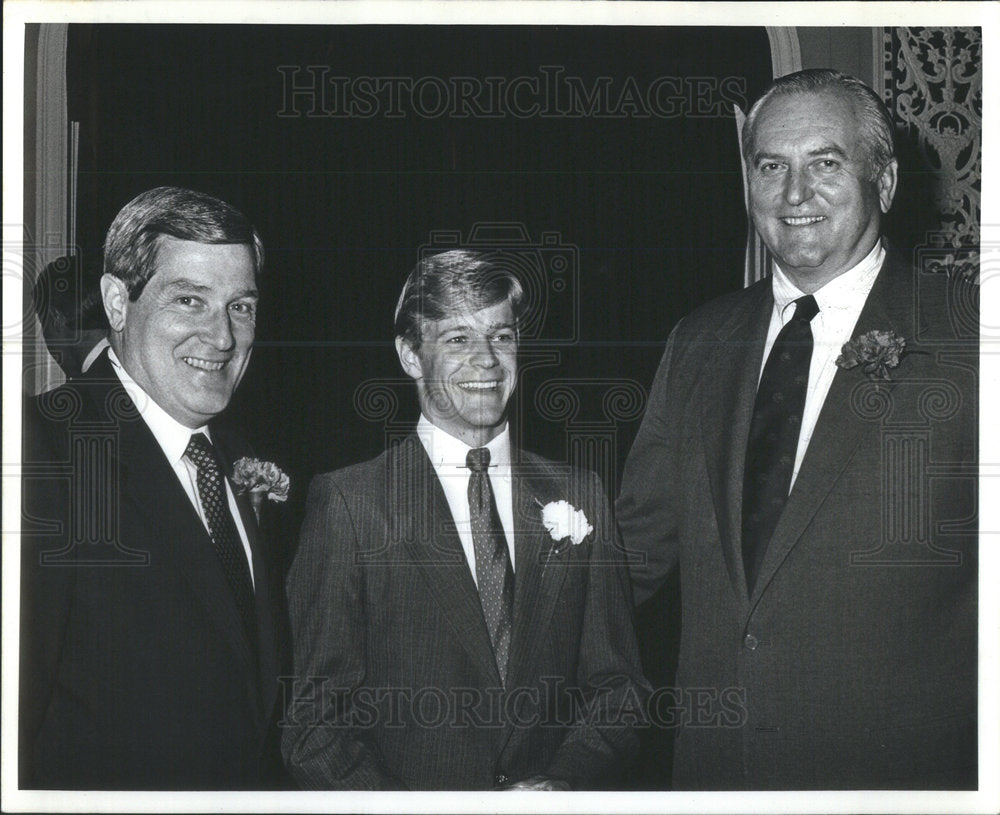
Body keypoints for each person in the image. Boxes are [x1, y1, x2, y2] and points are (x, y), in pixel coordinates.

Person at [616, 69, 977, 789]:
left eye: (826, 162)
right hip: (716, 775)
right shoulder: (698, 339)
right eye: (771, 165)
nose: (794, 194)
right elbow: (634, 554)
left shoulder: (973, 339)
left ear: (886, 179)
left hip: (898, 781)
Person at [282, 249, 648, 790]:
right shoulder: (350, 504)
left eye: (501, 336)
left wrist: (564, 781)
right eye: (457, 339)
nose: (487, 360)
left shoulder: (579, 493)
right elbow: (315, 726)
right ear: (410, 355)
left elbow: (620, 690)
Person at [20, 186, 287, 789]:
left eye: (240, 306)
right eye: (190, 300)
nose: (222, 337)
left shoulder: (237, 461)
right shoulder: (42, 452)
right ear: (118, 302)